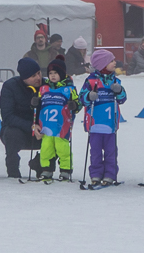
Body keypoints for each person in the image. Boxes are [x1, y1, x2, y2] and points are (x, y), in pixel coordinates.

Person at [79, 49, 127, 187]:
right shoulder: (90, 81)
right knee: (95, 152)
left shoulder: (115, 80)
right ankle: (96, 174)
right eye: (111, 61)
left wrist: (119, 91)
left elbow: (122, 99)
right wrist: (89, 96)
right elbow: (82, 98)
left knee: (111, 151)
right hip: (94, 124)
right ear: (102, 64)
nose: (115, 63)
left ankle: (110, 174)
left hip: (110, 124)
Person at [33, 55, 79, 182]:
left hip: (61, 126)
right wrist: (34, 103)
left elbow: (78, 104)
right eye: (50, 73)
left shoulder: (69, 89)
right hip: (46, 125)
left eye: (56, 73)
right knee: (46, 148)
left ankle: (65, 170)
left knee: (63, 148)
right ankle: (46, 170)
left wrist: (74, 105)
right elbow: (38, 106)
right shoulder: (44, 88)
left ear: (62, 74)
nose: (52, 76)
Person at [0, 57, 45, 179]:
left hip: (42, 129)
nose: (38, 78)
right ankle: (13, 169)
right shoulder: (10, 86)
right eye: (33, 76)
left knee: (58, 134)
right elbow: (8, 116)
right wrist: (31, 126)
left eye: (39, 73)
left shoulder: (47, 85)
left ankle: (43, 166)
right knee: (12, 134)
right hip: (18, 130)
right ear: (24, 78)